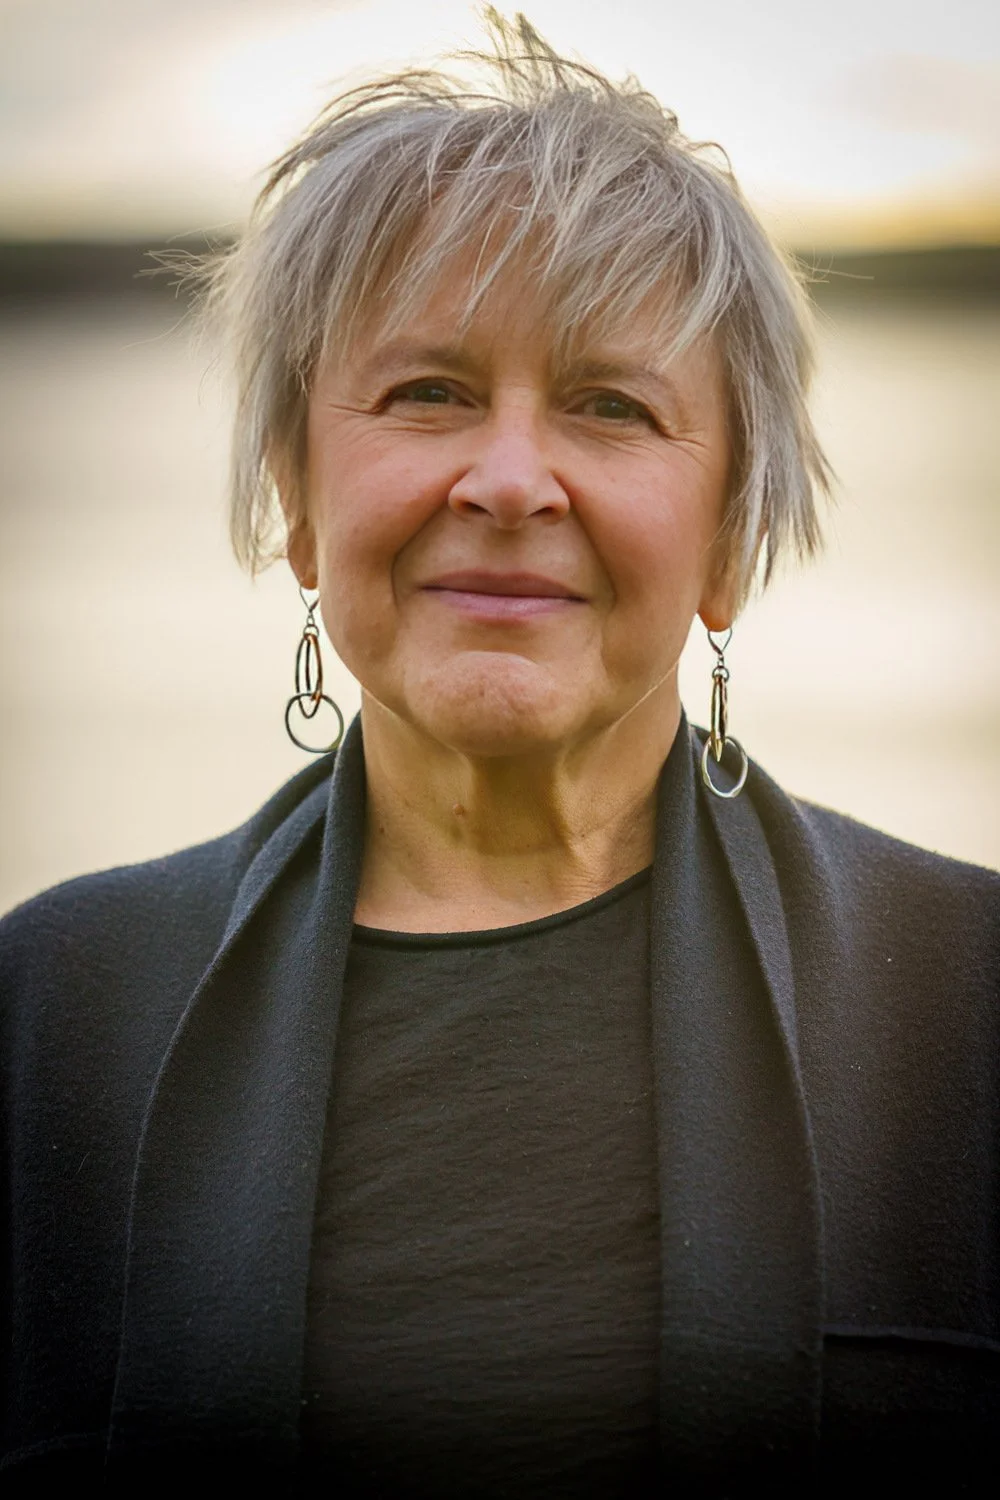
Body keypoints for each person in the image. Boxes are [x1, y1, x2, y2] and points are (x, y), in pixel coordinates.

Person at [1, 13, 997, 1494]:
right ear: (297, 499)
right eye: (430, 393)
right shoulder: (54, 1011)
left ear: (730, 540)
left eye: (611, 406)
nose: (513, 478)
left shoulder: (967, 1005)